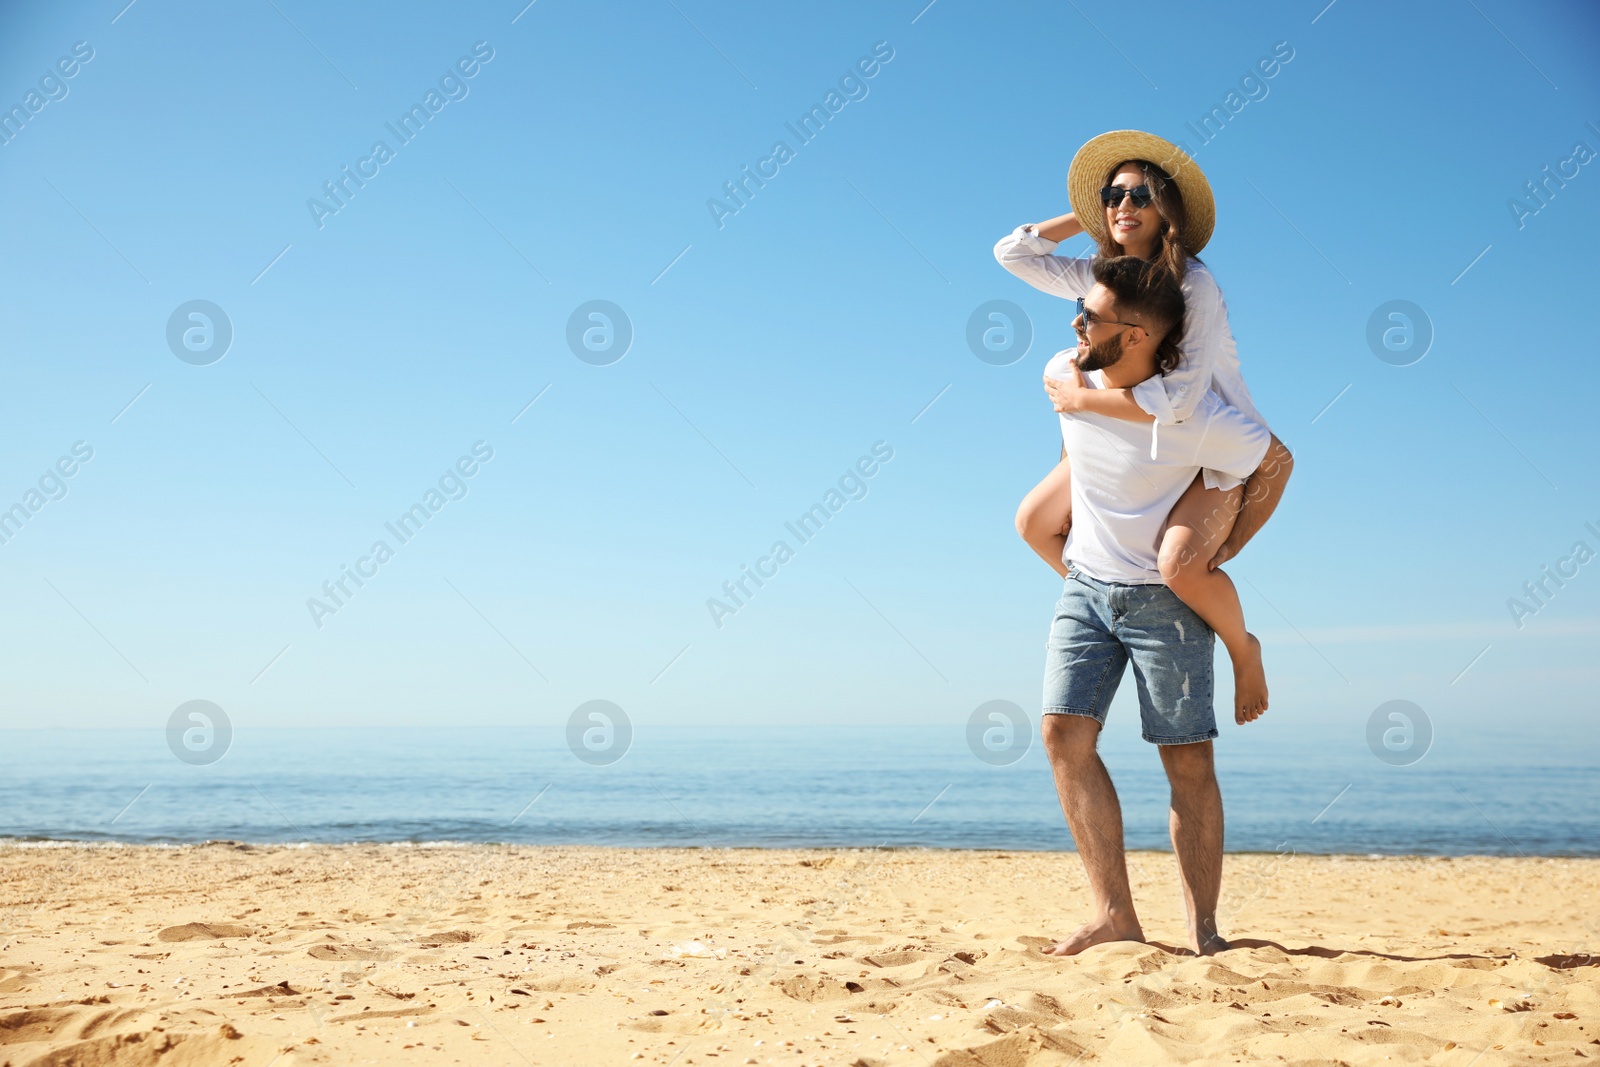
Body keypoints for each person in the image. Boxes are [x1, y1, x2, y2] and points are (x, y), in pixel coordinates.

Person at [993, 130, 1293, 725]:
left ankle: (1242, 647)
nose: (1123, 205)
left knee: (1183, 565)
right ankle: (1113, 596)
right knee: (1033, 522)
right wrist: (1088, 216)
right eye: (1112, 194)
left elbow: (1180, 402)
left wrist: (1079, 401)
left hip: (1206, 445)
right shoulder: (1106, 276)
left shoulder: (1193, 284)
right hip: (1124, 437)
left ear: (1169, 210)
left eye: (1140, 195)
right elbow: (1013, 253)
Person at [1038, 255, 1270, 956]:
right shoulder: (1067, 370)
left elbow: (1266, 452)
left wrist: (1221, 542)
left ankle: (1204, 931)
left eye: (1092, 316)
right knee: (1061, 737)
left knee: (1186, 761)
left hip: (1165, 601)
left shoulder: (1194, 417)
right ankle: (1116, 914)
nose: (1076, 321)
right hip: (1085, 587)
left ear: (1136, 334)